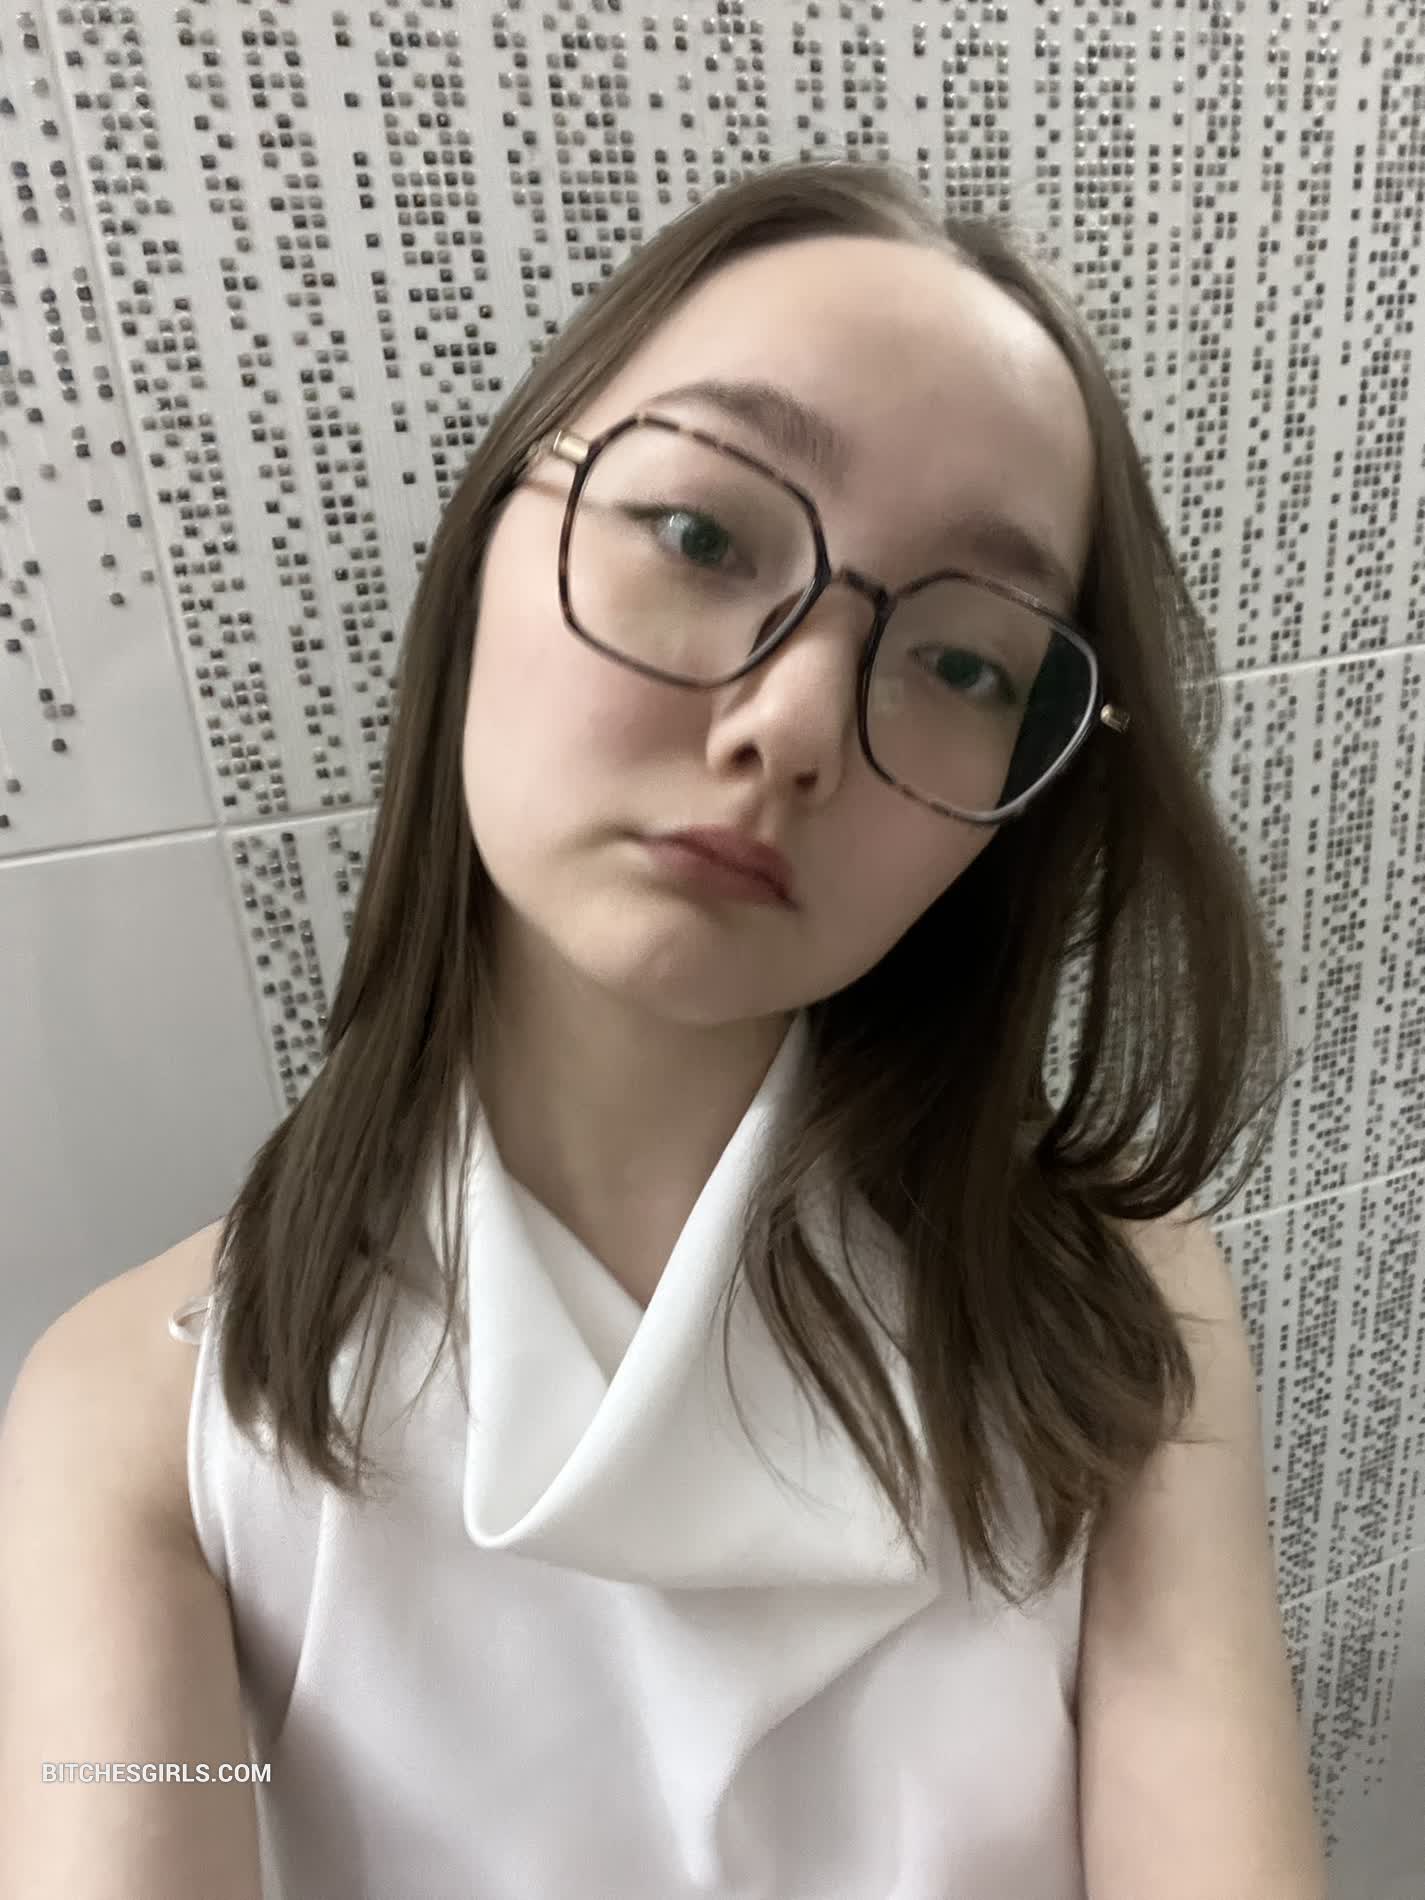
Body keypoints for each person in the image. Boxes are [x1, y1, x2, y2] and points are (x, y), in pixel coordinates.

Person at [0, 160, 1326, 1898]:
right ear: (491, 539)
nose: (794, 722)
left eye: (964, 662)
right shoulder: (140, 1418)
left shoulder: (1112, 1312)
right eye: (701, 537)